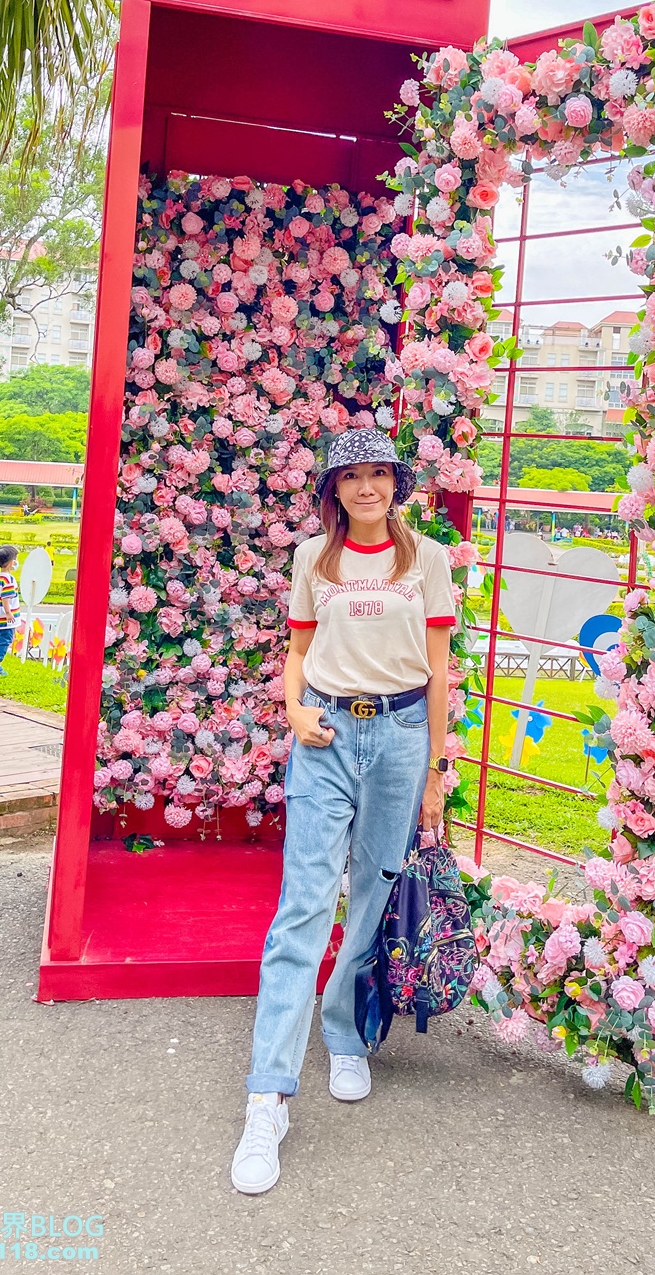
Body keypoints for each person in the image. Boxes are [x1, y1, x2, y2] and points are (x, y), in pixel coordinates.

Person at [230, 429, 456, 1196]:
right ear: (334, 489)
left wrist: (435, 766)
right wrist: (292, 710)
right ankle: (268, 1097)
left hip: (398, 737)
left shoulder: (425, 559)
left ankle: (345, 1030)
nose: (367, 489)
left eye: (379, 476)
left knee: (372, 896)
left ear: (397, 484)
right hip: (324, 735)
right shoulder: (311, 560)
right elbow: (297, 649)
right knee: (301, 909)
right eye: (352, 477)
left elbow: (439, 670)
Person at [0, 544, 21, 676]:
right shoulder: (9, 579)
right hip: (6, 618)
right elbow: (5, 598)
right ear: (12, 562)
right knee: (6, 640)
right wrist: (8, 613)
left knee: (0, 640)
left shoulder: (1, 577)